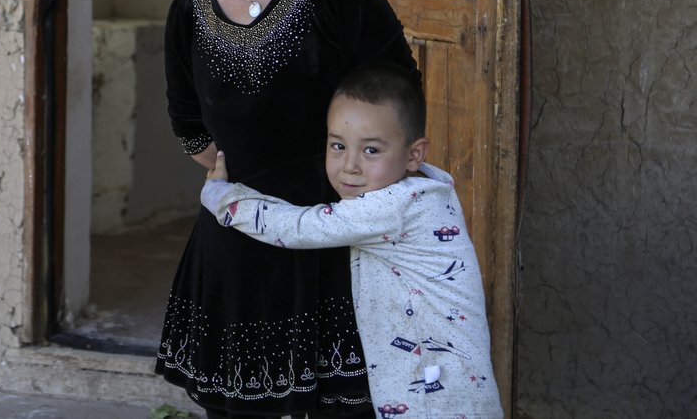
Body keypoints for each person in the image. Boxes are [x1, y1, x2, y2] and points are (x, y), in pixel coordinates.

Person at [156, 0, 420, 418]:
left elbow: (397, 93)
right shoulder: (188, 12)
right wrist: (249, 187)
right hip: (237, 243)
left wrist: (350, 176)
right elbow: (191, 128)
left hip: (335, 239)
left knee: (341, 406)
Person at [202, 63, 503, 419]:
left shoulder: (394, 206)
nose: (350, 166)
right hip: (449, 385)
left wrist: (221, 196)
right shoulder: (429, 187)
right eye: (338, 146)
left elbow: (298, 227)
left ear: (414, 154)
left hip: (434, 393)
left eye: (371, 151)